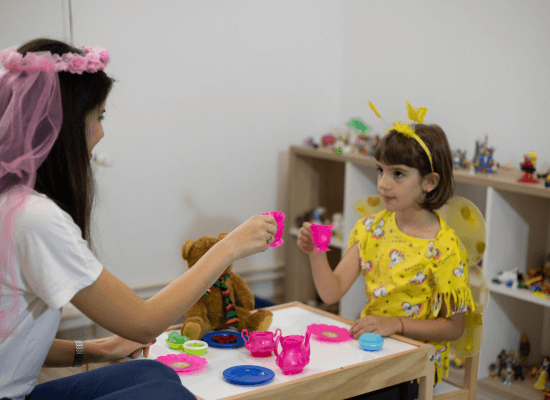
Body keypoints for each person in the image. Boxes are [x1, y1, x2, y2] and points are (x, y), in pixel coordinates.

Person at [0, 38, 277, 400]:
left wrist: (98, 349)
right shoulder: (35, 219)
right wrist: (230, 247)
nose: (101, 132)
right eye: (97, 117)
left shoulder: (12, 201)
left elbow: (13, 338)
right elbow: (143, 322)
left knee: (150, 371)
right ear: (64, 127)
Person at [297, 122, 475, 400]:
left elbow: (454, 326)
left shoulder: (445, 245)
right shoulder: (370, 228)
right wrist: (316, 254)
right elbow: (331, 291)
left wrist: (395, 323)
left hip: (416, 367)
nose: (383, 183)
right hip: (372, 351)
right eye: (380, 170)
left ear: (430, 182)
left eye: (398, 174)